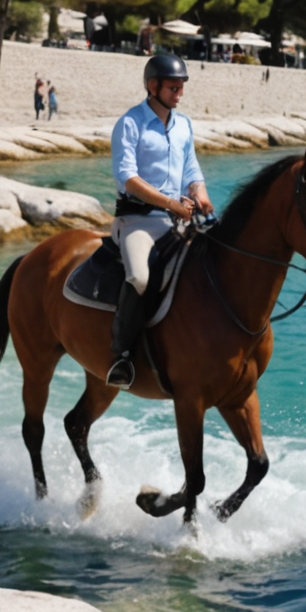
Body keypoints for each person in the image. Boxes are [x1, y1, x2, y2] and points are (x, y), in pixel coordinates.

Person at [104, 55, 211, 389]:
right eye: (173, 88)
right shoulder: (130, 123)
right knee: (139, 276)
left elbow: (191, 170)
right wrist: (169, 203)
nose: (179, 94)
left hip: (175, 218)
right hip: (136, 220)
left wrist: (201, 194)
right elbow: (128, 177)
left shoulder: (184, 125)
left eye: (181, 88)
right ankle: (121, 357)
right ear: (153, 87)